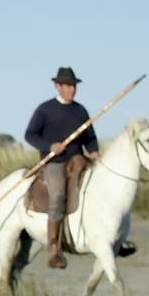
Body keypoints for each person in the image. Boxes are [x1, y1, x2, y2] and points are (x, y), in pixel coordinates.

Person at [24, 67, 101, 268]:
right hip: (54, 162)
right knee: (57, 195)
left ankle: (111, 237)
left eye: (73, 86)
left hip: (77, 159)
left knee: (97, 185)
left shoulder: (80, 110)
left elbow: (90, 137)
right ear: (57, 86)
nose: (72, 90)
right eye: (67, 86)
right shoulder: (45, 109)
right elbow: (30, 135)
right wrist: (49, 146)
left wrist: (94, 151)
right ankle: (53, 249)